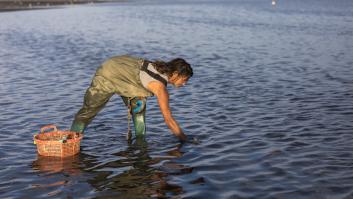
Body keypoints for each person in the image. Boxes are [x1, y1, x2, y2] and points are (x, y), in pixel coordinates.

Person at [70, 55, 193, 141]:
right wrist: (185, 139)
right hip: (108, 73)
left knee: (139, 108)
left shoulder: (160, 68)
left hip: (126, 76)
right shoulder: (160, 87)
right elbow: (169, 120)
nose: (184, 84)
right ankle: (71, 140)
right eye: (184, 80)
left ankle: (140, 144)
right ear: (176, 74)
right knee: (88, 111)